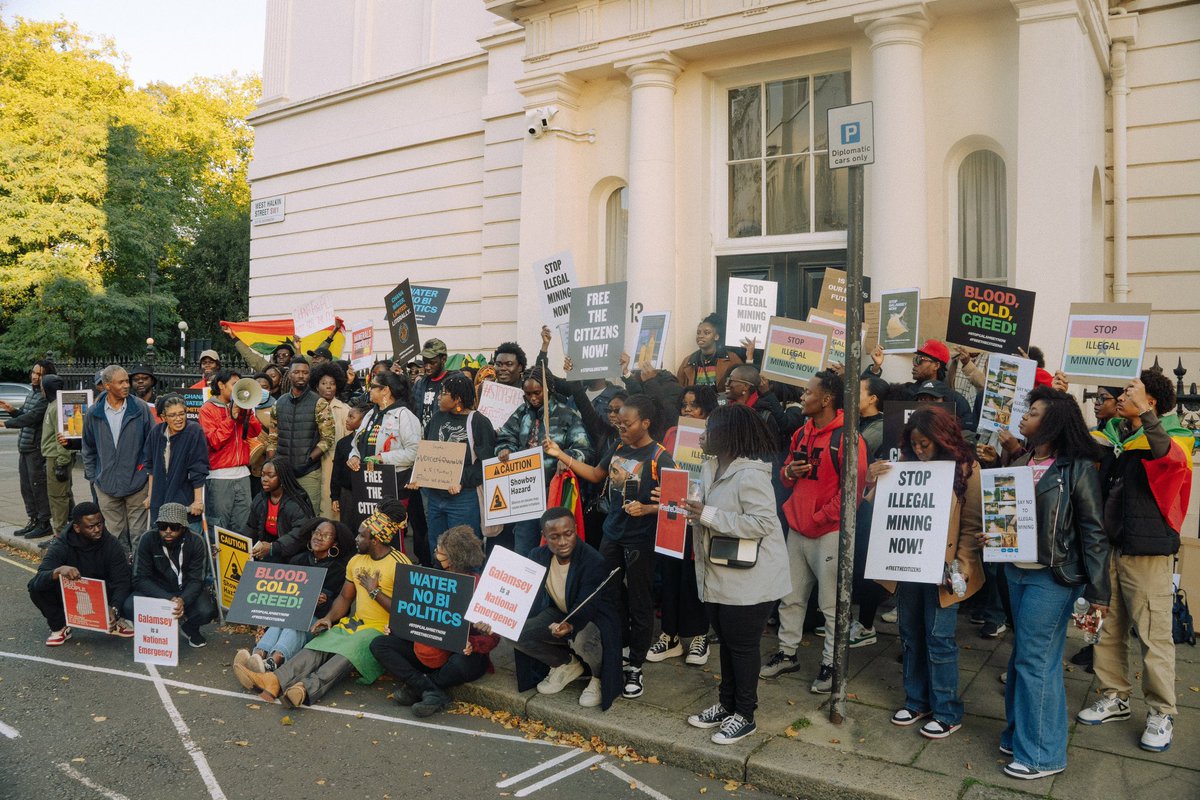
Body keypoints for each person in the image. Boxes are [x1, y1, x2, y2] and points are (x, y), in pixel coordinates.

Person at [974, 387, 1110, 779]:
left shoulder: (1076, 468)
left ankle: (1042, 756)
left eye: (1032, 413)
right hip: (1015, 571)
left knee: (1037, 661)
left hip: (1054, 577)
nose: (1023, 417)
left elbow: (1093, 532)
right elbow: (1012, 519)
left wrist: (1099, 592)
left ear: (1050, 422)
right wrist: (993, 535)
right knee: (1023, 657)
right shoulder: (1021, 460)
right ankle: (1020, 735)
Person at [1077, 371, 1193, 753]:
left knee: (1153, 635)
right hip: (1108, 548)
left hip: (1146, 553)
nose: (1121, 395)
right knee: (1105, 627)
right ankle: (1114, 695)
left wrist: (1144, 414)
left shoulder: (1174, 436)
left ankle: (1162, 712)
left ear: (1151, 401)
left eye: (1131, 390)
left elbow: (1170, 461)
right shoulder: (1115, 435)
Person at [544, 394, 671, 700]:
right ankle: (619, 645)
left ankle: (636, 665)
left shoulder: (660, 457)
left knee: (641, 600)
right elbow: (597, 475)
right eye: (618, 422)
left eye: (627, 423)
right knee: (606, 593)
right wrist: (562, 456)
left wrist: (648, 509)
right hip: (612, 533)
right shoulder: (616, 447)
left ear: (645, 423)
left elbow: (676, 505)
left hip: (641, 539)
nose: (621, 428)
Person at [870, 405, 982, 740]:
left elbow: (972, 525)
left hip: (945, 572)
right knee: (911, 636)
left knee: (939, 640)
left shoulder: (967, 469)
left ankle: (947, 711)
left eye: (925, 444)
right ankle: (917, 700)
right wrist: (875, 478)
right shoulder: (904, 467)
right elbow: (879, 507)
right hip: (909, 566)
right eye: (914, 444)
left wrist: (960, 567)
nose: (919, 450)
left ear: (942, 439)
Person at [683, 404, 791, 744]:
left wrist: (709, 516)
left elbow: (762, 523)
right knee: (727, 643)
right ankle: (727, 704)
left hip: (752, 578)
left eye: (708, 430)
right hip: (720, 572)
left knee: (742, 647)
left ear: (727, 435)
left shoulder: (751, 474)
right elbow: (709, 513)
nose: (701, 436)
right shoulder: (710, 466)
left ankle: (745, 714)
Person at [234, 502, 413, 709]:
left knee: (348, 651)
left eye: (361, 536)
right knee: (318, 644)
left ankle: (304, 689)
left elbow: (405, 611)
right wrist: (328, 618)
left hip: (381, 631)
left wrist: (375, 591)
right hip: (355, 624)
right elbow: (345, 598)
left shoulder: (401, 564)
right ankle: (274, 681)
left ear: (375, 540)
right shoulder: (356, 561)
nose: (356, 539)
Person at [763, 371, 867, 692]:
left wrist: (820, 516)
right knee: (790, 598)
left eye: (808, 393)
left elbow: (853, 493)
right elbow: (785, 477)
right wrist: (789, 472)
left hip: (828, 533)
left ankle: (831, 665)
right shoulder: (801, 433)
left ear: (826, 400)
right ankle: (787, 653)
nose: (802, 397)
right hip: (798, 529)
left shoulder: (849, 439)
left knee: (832, 605)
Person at [370, 525, 500, 716]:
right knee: (379, 644)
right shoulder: (429, 579)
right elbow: (414, 615)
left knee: (460, 663)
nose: (435, 555)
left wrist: (474, 641)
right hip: (427, 649)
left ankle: (418, 688)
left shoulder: (480, 586)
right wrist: (399, 627)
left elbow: (494, 638)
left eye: (439, 552)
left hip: (460, 656)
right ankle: (431, 691)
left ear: (454, 558)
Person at [514, 508, 624, 710]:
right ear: (544, 537)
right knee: (513, 632)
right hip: (559, 612)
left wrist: (570, 625)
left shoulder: (593, 561)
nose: (562, 542)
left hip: (595, 618)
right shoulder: (537, 556)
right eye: (554, 537)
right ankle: (566, 663)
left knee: (582, 639)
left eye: (568, 534)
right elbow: (521, 594)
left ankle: (598, 677)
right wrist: (496, 617)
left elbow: (587, 605)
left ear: (576, 530)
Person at [648, 385, 719, 667]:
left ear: (708, 409)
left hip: (701, 512)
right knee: (670, 573)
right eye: (684, 405)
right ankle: (670, 635)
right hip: (673, 511)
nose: (687, 410)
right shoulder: (672, 434)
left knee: (695, 575)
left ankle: (700, 635)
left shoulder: (717, 436)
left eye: (694, 405)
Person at [234, 518, 352, 676]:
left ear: (335, 543)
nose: (319, 537)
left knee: (293, 622)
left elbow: (341, 606)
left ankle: (273, 662)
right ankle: (258, 656)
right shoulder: (298, 560)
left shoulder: (339, 569)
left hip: (319, 622)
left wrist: (324, 602)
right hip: (291, 615)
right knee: (283, 619)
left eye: (326, 535)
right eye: (317, 533)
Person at [495, 366, 592, 556]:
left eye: (537, 393)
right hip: (525, 492)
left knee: (555, 547)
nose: (532, 398)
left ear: (548, 390)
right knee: (524, 546)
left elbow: (585, 449)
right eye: (528, 394)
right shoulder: (521, 412)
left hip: (554, 491)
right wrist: (505, 450)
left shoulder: (567, 415)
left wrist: (567, 458)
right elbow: (505, 437)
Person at [28, 502, 134, 645]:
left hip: (103, 591)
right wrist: (58, 571)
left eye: (99, 524)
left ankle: (115, 620)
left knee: (129, 581)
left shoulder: (111, 544)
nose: (97, 530)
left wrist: (115, 608)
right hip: (72, 593)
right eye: (91, 527)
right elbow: (39, 578)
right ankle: (60, 626)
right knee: (35, 587)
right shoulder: (61, 544)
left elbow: (122, 580)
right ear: (77, 528)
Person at [413, 373, 495, 548]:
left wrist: (461, 480)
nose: (438, 397)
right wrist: (418, 476)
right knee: (438, 549)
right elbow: (427, 452)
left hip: (463, 499)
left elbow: (486, 464)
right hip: (435, 497)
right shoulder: (436, 418)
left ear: (457, 399)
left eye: (443, 394)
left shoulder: (478, 422)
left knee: (463, 552)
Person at [82, 365, 154, 553]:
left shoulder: (140, 408)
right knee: (115, 536)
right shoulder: (93, 412)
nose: (126, 385)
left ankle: (140, 576)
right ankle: (121, 576)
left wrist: (145, 472)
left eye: (126, 381)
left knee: (139, 535)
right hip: (106, 485)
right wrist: (93, 477)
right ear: (107, 385)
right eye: (120, 382)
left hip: (137, 483)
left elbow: (152, 443)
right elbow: (88, 448)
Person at [127, 503, 215, 648]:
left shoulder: (197, 541)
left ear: (184, 527)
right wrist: (168, 598)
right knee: (129, 606)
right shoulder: (147, 539)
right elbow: (139, 578)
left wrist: (183, 599)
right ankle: (157, 630)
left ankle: (190, 628)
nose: (168, 531)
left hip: (185, 588)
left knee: (207, 610)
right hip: (158, 589)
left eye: (174, 527)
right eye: (162, 526)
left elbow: (197, 580)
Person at [199, 369, 262, 534]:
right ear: (220, 385)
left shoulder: (242, 406)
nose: (237, 390)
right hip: (219, 476)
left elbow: (255, 432)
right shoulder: (207, 409)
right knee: (220, 526)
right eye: (234, 385)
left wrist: (246, 413)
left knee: (242, 525)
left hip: (242, 474)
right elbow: (215, 442)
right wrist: (231, 419)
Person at [268, 358, 333, 513]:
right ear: (289, 375)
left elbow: (328, 439)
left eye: (305, 372)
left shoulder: (320, 403)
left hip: (308, 473)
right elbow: (272, 439)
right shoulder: (279, 403)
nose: (301, 376)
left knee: (309, 515)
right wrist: (271, 463)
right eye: (296, 372)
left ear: (309, 375)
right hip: (283, 472)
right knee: (284, 515)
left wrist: (309, 459)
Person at [865, 339, 974, 430]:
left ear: (936, 366)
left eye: (919, 360)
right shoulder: (902, 392)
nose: (914, 365)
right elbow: (865, 393)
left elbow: (968, 430)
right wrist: (875, 367)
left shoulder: (955, 400)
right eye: (914, 360)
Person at [1, 358, 55, 539]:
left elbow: (32, 418)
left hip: (35, 448)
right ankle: (33, 519)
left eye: (40, 374)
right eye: (34, 372)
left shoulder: (45, 397)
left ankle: (44, 522)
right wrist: (12, 411)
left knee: (38, 486)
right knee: (26, 487)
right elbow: (25, 413)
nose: (35, 377)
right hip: (24, 447)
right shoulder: (32, 393)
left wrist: (6, 423)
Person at [143, 394, 209, 531]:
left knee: (187, 543)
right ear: (163, 417)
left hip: (185, 501)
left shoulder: (193, 431)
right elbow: (151, 467)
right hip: (160, 499)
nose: (179, 419)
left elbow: (198, 468)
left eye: (182, 413)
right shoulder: (156, 432)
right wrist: (150, 495)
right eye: (172, 415)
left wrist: (198, 501)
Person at [246, 457, 316, 562]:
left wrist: (273, 547)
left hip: (293, 551)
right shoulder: (260, 498)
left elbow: (299, 534)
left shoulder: (295, 503)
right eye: (263, 474)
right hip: (269, 547)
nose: (264, 479)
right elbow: (251, 527)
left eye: (270, 476)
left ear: (282, 477)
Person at [311, 361, 351, 519]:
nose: (328, 387)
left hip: (334, 462)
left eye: (332, 383)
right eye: (324, 383)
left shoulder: (344, 409)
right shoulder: (310, 406)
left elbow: (349, 441)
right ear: (316, 385)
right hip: (312, 462)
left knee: (331, 505)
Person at [39, 375, 76, 535]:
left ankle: (60, 535)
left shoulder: (57, 408)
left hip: (57, 458)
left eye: (42, 387)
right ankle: (73, 528)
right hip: (55, 457)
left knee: (57, 497)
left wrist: (61, 463)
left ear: (47, 389)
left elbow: (62, 437)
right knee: (65, 495)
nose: (40, 390)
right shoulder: (55, 405)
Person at [329, 400, 370, 528]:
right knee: (347, 527)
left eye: (352, 417)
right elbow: (336, 472)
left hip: (366, 493)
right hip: (347, 493)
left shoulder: (370, 444)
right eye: (348, 416)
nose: (347, 420)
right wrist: (335, 496)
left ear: (364, 421)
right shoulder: (342, 443)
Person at [676, 313, 744, 388]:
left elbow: (744, 382)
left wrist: (749, 358)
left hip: (719, 400)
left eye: (706, 333)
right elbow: (679, 389)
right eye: (698, 333)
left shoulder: (731, 358)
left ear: (716, 337)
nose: (700, 336)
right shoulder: (688, 361)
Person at [413, 338, 450, 427]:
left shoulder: (451, 383)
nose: (427, 367)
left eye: (432, 363)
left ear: (443, 359)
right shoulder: (420, 384)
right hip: (422, 438)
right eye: (425, 362)